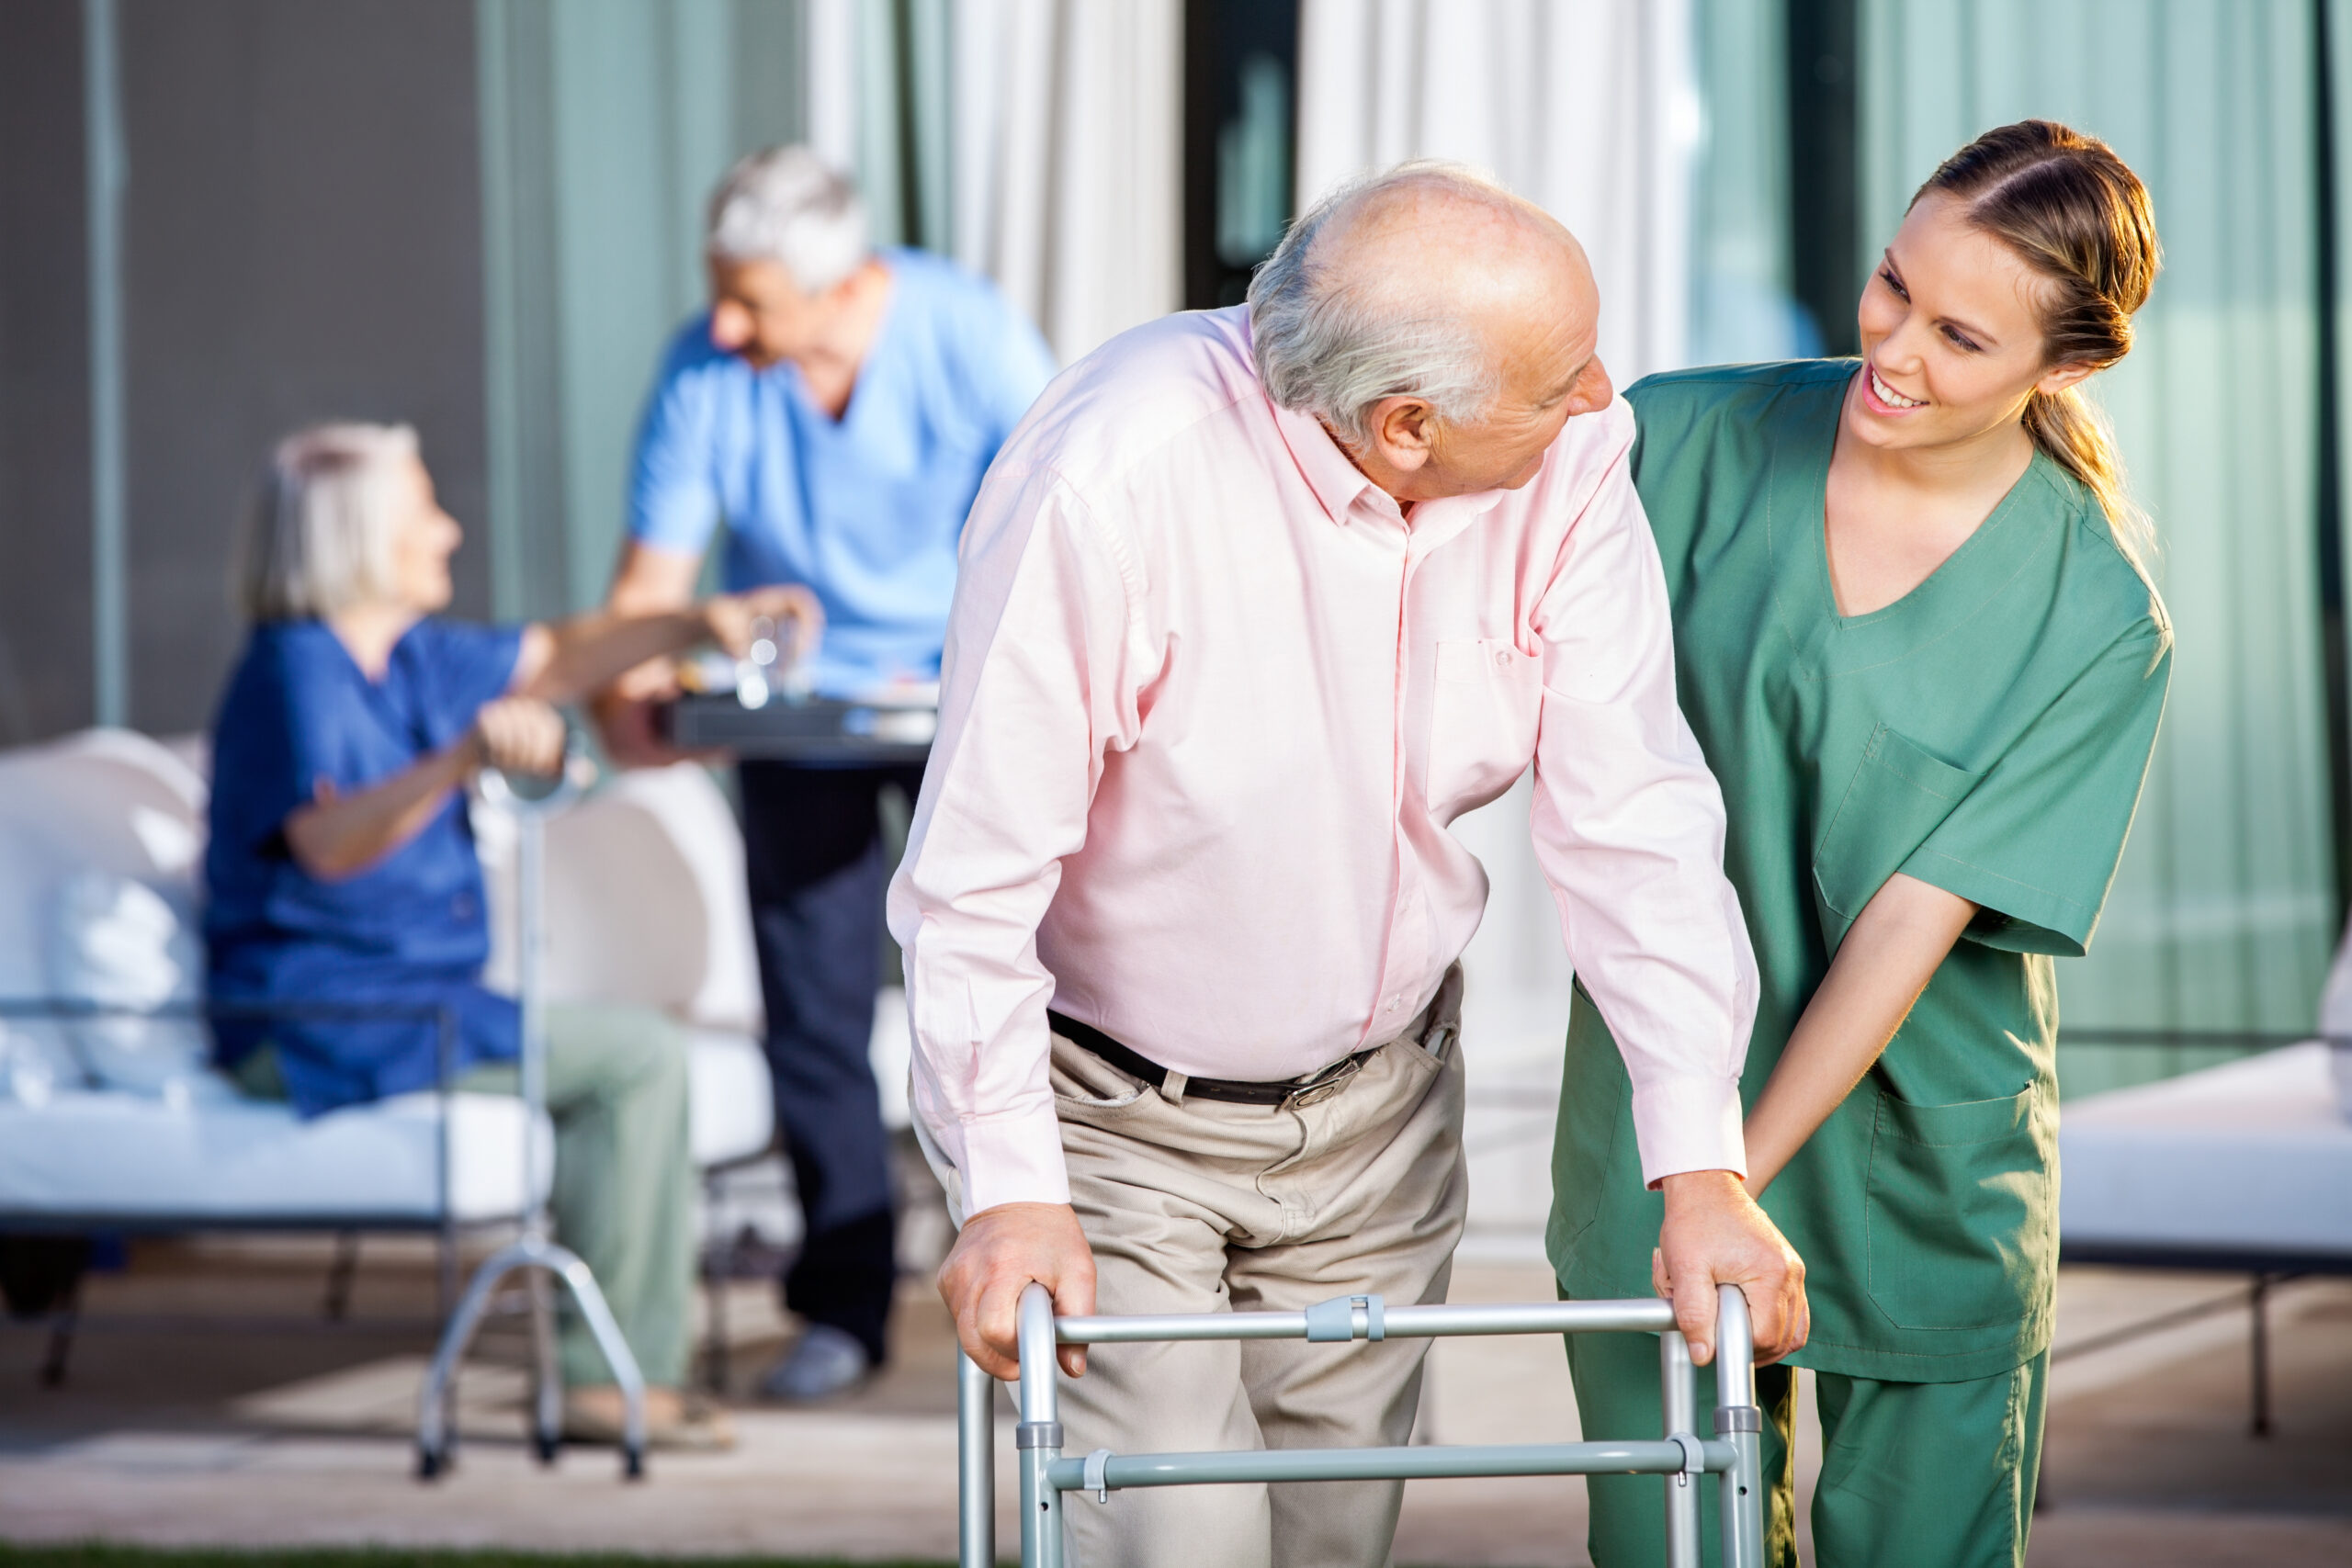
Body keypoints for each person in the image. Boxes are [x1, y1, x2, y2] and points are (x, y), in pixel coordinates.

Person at [891, 163, 1807, 1568]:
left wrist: (1702, 1166)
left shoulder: (1569, 460)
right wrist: (1012, 1186)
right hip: (1119, 1124)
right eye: (1562, 372)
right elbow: (973, 875)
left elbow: (1638, 823)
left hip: (1383, 1116)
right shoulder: (1110, 477)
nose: (1601, 390)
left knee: (1337, 1541)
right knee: (1183, 1543)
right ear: (1406, 426)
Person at [1552, 120, 2170, 1568]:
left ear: (2063, 367)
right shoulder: (1679, 442)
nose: (1891, 347)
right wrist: (1689, 1175)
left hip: (1920, 1162)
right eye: (1892, 285)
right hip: (1657, 1130)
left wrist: (1729, 1177)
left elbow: (1909, 923)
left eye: (1961, 335)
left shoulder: (2096, 615)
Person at [204, 422, 816, 1450]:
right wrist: (454, 764)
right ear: (361, 538)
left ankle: (613, 1364)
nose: (447, 533)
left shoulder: (414, 657)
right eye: (424, 514)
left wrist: (694, 624)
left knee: (632, 1049)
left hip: (422, 1006)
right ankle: (598, 1380)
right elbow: (328, 845)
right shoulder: (295, 674)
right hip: (319, 1017)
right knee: (634, 1057)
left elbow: (564, 654)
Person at [594, 146, 1057, 1402]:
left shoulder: (963, 332)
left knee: (1047, 981)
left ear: (847, 281)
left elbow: (1073, 524)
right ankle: (846, 1303)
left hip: (970, 703)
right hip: (803, 720)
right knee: (815, 1012)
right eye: (718, 293)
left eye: (751, 299)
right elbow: (652, 585)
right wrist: (625, 686)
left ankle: (1072, 1280)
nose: (725, 321)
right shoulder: (706, 369)